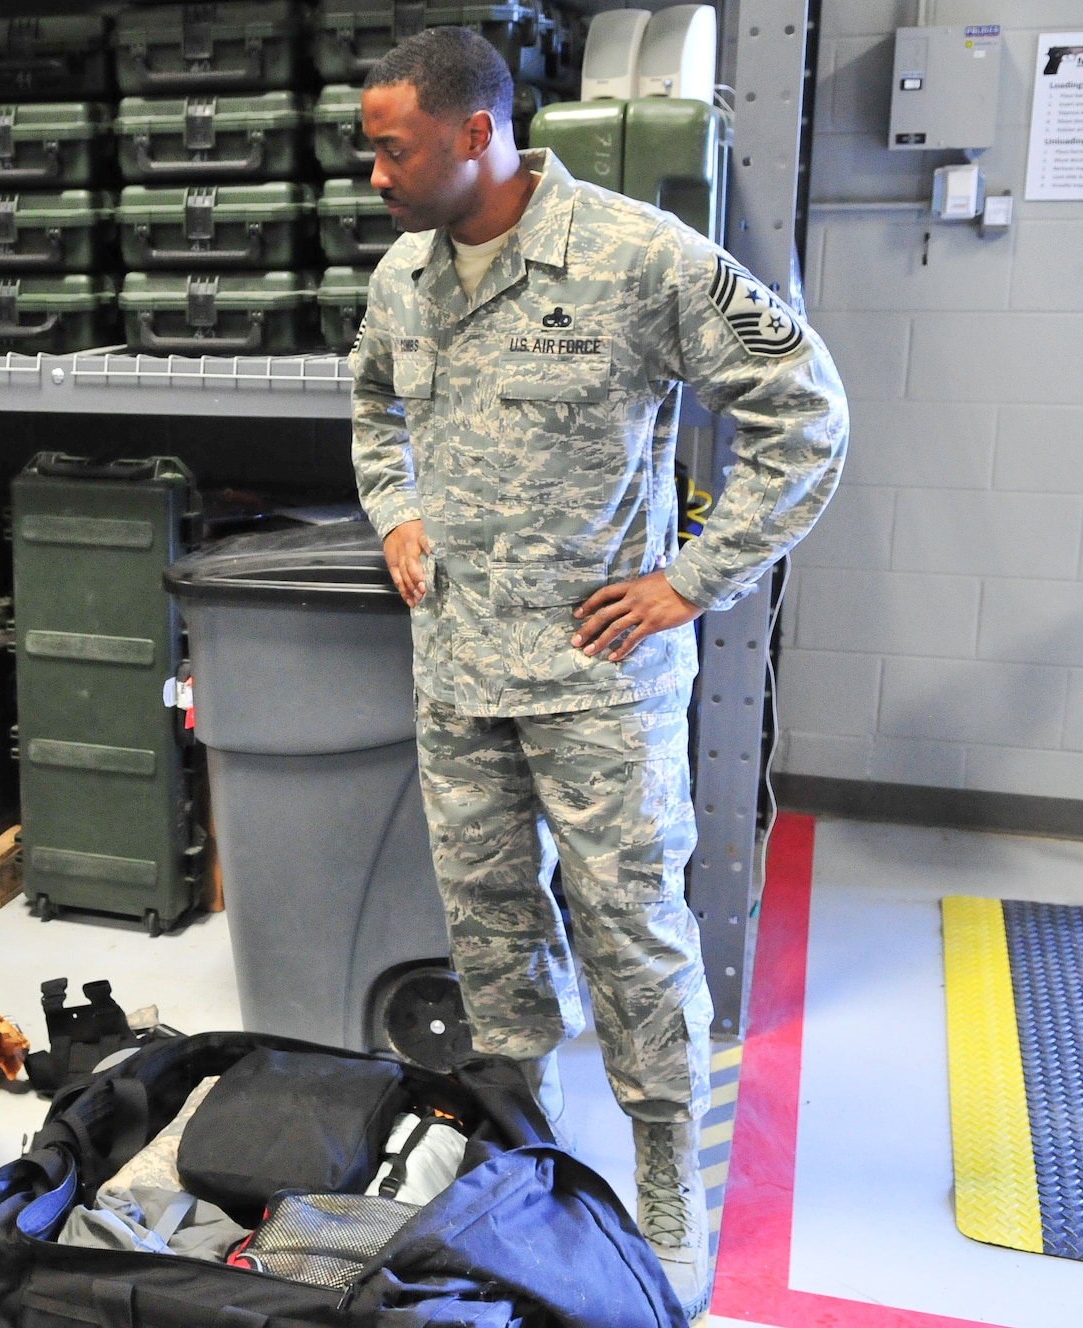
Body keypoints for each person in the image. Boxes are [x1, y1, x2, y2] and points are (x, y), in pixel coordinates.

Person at [349, 29, 846, 1317]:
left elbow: (807, 415)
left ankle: (667, 1168)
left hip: (596, 683)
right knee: (491, 934)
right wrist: (395, 512)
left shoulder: (636, 257)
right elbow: (369, 408)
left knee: (630, 939)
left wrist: (691, 578)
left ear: (474, 134)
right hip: (457, 674)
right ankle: (518, 1139)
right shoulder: (402, 276)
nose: (371, 177)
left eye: (389, 147)